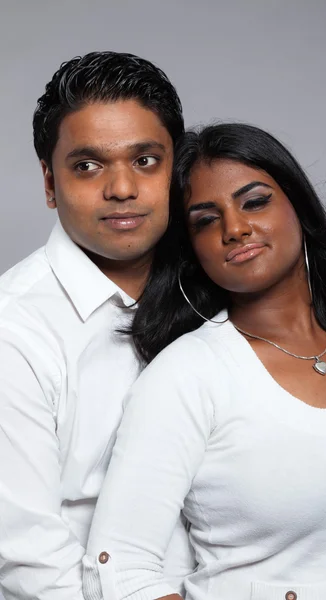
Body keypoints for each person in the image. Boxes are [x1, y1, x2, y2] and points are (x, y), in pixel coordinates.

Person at [83, 123, 326, 600]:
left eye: (255, 202)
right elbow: (120, 569)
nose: (235, 229)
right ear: (191, 249)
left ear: (299, 206)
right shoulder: (187, 376)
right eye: (206, 221)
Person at [0, 51, 195, 600]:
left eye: (146, 161)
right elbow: (29, 563)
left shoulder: (220, 291)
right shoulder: (14, 330)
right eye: (87, 166)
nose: (122, 189)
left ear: (175, 169)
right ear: (48, 181)